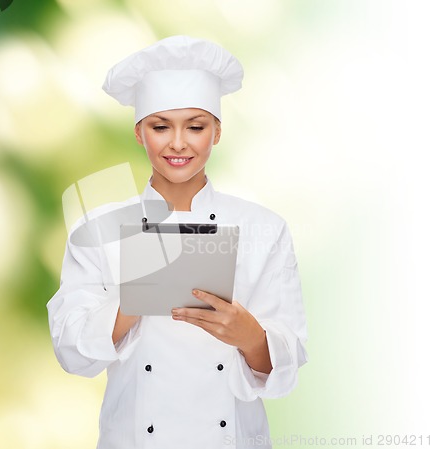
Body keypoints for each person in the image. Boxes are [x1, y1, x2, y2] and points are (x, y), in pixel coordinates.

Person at [47, 35, 308, 449]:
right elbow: (71, 351)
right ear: (138, 133)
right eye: (160, 126)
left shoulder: (264, 228)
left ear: (217, 132)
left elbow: (287, 367)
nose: (178, 143)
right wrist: (132, 305)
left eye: (196, 127)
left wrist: (249, 336)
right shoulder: (98, 230)